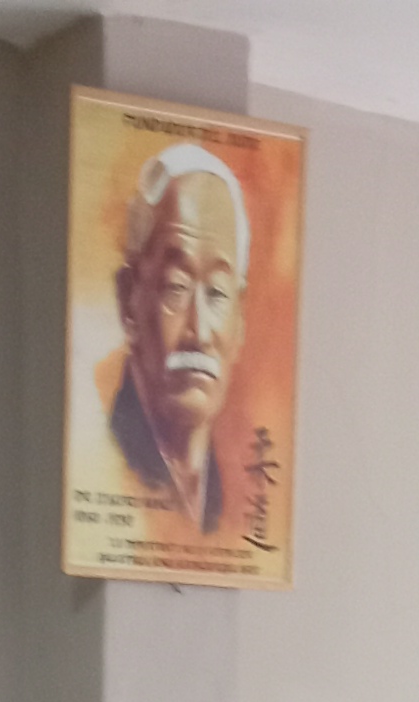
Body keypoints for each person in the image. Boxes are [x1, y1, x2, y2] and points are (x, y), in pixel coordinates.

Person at [94, 139, 248, 532]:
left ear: (239, 320)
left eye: (217, 294)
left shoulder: (225, 505)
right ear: (129, 301)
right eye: (176, 287)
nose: (199, 332)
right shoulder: (102, 458)